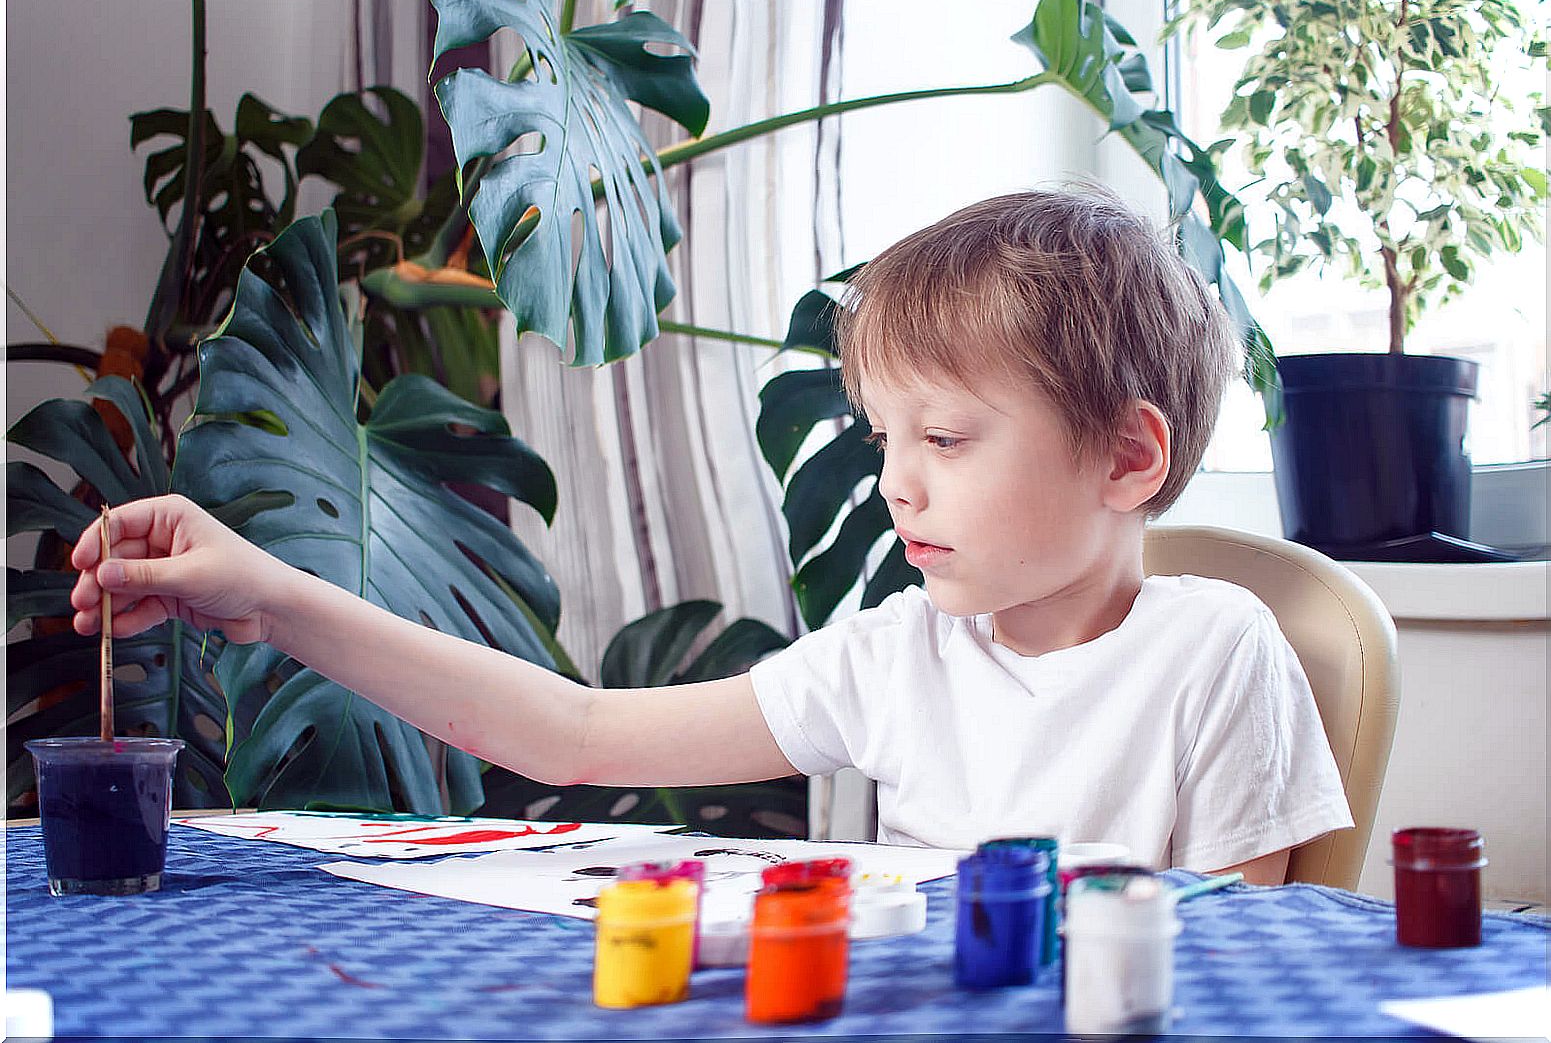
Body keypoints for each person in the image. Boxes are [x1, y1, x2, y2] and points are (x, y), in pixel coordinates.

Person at [69, 187, 1351, 884]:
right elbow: (569, 736)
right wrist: (272, 594)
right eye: (884, 442)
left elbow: (1243, 960)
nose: (900, 486)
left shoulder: (1216, 656)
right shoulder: (900, 652)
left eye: (946, 442)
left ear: (1129, 455)